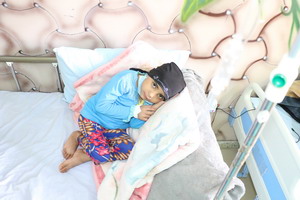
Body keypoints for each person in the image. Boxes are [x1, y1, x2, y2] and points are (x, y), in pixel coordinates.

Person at [59, 62, 186, 173]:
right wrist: (134, 111)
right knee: (101, 155)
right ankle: (78, 137)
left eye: (160, 96)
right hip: (92, 119)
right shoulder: (126, 79)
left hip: (113, 129)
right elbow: (101, 106)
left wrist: (152, 109)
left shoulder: (150, 101)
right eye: (154, 85)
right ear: (149, 74)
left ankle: (88, 151)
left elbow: (133, 124)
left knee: (129, 150)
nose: (151, 95)